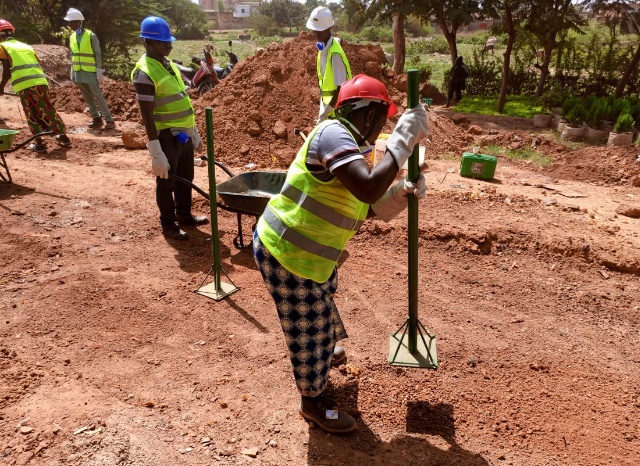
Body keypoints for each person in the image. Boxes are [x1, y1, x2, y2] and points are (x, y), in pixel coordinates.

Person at [252, 74, 429, 434]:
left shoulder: (353, 148)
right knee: (308, 329)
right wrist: (402, 142)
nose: (384, 127)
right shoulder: (332, 133)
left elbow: (363, 204)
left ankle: (324, 351)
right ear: (367, 112)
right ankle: (314, 404)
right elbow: (366, 187)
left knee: (321, 303)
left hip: (311, 257)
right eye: (384, 119)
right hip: (286, 252)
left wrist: (400, 193)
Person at [131, 16, 208, 241]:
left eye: (170, 41)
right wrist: (156, 151)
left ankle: (184, 215)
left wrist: (193, 131)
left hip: (183, 135)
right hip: (166, 137)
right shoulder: (144, 72)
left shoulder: (167, 64)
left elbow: (181, 99)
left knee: (186, 177)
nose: (170, 45)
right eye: (165, 42)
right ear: (149, 42)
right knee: (167, 181)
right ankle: (169, 225)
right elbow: (146, 115)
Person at [0, 19, 72, 153]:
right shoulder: (26, 46)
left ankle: (39, 144)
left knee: (31, 113)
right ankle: (63, 137)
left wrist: (1, 86)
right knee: (47, 108)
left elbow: (6, 70)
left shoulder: (3, 47)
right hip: (41, 82)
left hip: (25, 85)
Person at [64, 8, 115, 130]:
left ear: (79, 22)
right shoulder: (71, 37)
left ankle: (109, 120)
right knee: (87, 97)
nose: (70, 25)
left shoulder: (91, 36)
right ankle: (96, 118)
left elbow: (97, 54)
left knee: (98, 95)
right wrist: (72, 71)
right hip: (78, 72)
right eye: (69, 22)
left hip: (90, 71)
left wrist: (98, 71)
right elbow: (73, 54)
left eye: (72, 22)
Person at [306, 6, 351, 124]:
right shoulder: (325, 47)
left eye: (319, 31)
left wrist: (326, 113)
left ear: (328, 28)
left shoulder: (335, 55)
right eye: (315, 30)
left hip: (336, 110)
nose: (316, 34)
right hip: (328, 104)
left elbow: (341, 88)